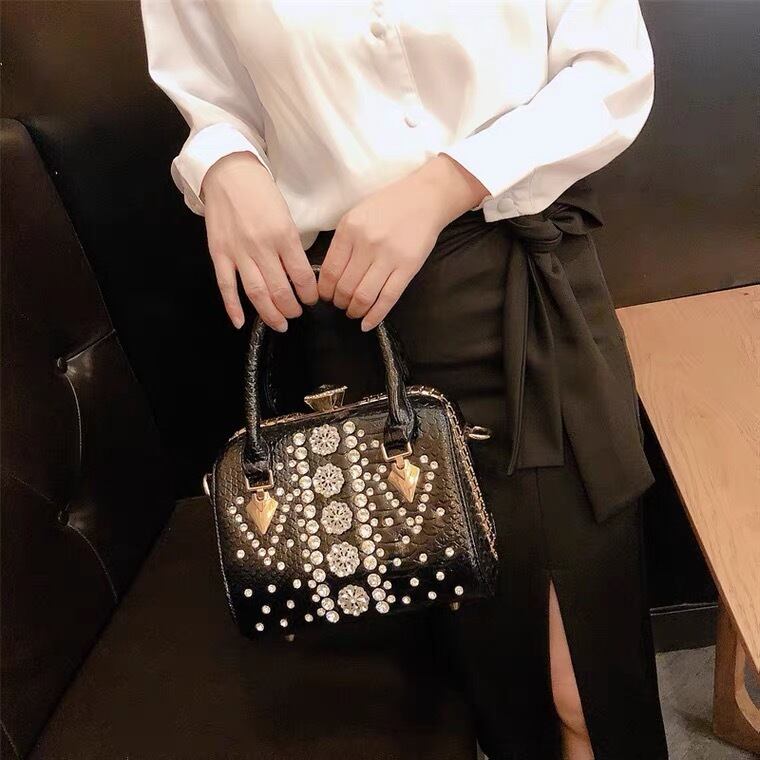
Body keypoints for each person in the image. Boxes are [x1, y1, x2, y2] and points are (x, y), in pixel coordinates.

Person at [140, 2, 669, 758]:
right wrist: (224, 163)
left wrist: (443, 184)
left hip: (519, 286)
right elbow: (211, 95)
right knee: (487, 673)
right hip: (363, 320)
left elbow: (610, 69)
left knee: (584, 680)